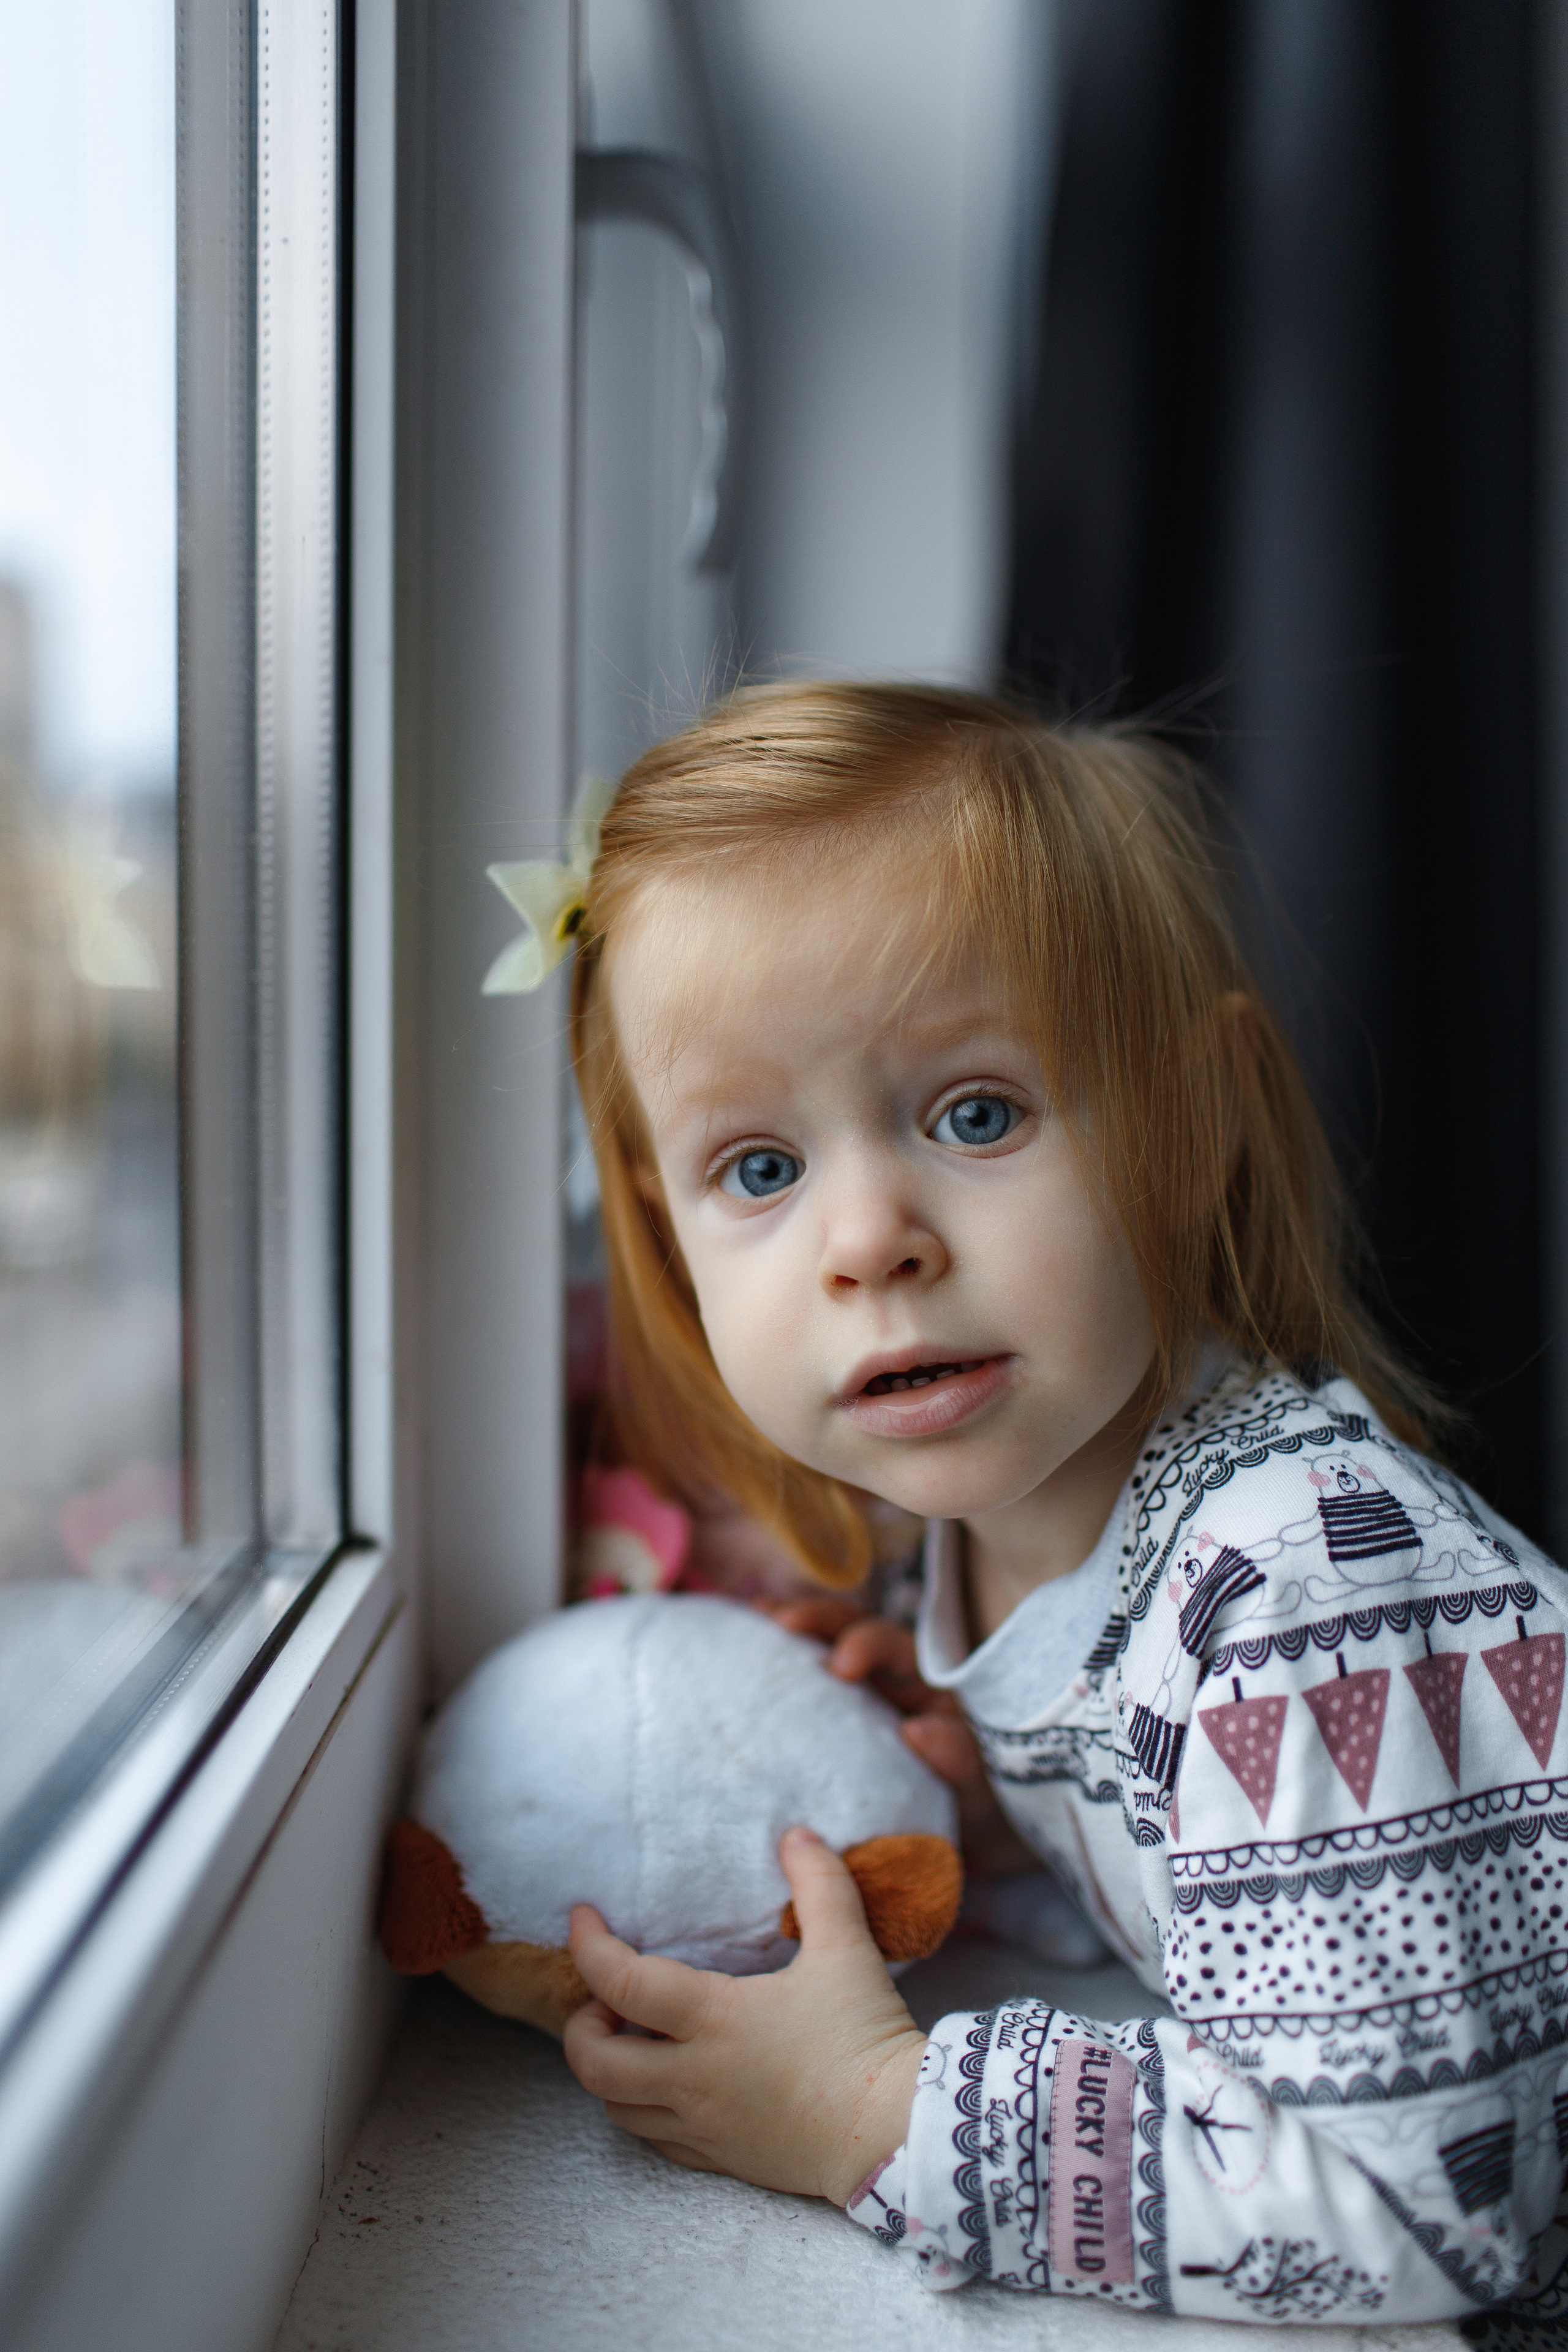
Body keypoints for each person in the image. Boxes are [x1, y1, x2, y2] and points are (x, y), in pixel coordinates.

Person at [491, 683, 1568, 2324]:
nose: (869, 1239)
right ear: (663, 1225)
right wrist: (1008, 1829)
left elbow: (1428, 2215)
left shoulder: (1293, 1592)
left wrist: (880, 2116)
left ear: (1197, 1119)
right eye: (759, 1169)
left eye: (976, 1113)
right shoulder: (1003, 1554)